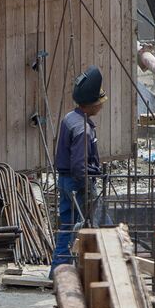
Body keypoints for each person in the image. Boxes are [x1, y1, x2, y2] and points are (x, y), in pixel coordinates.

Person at [51, 66, 105, 271]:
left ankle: (57, 271)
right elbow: (79, 166)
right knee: (96, 224)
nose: (100, 107)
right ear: (90, 104)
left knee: (66, 228)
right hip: (76, 184)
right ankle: (99, 268)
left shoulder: (70, 118)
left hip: (65, 181)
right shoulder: (82, 129)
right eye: (98, 103)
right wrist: (87, 186)